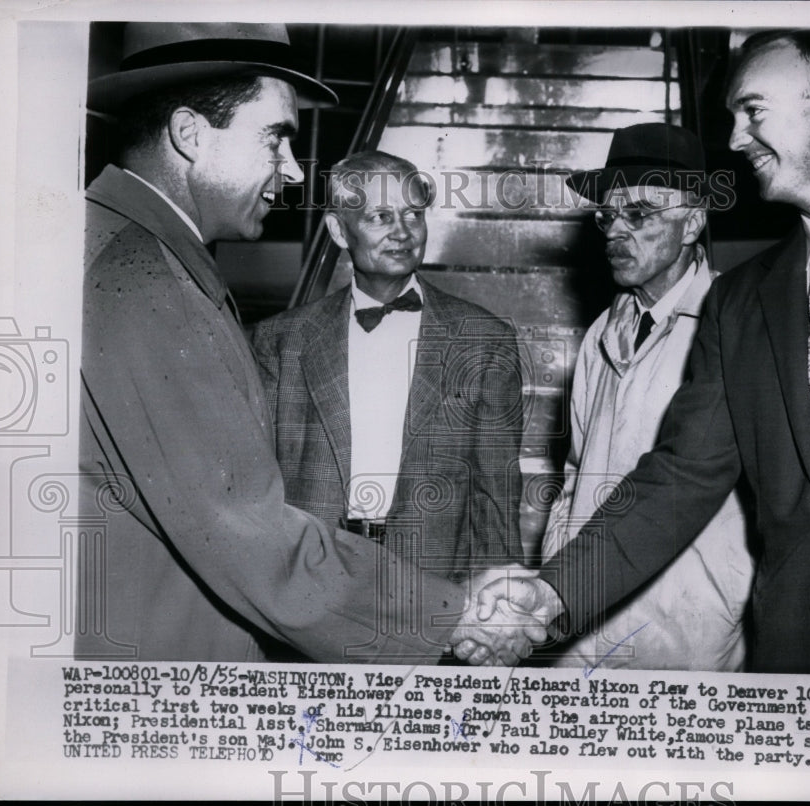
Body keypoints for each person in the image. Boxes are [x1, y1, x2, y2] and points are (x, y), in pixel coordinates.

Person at [468, 28, 810, 678]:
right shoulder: (744, 302)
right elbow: (681, 476)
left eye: (752, 111)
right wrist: (552, 592)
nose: (732, 140)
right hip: (794, 678)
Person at [77, 22, 541, 664]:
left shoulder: (126, 253)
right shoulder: (141, 277)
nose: (293, 171)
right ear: (189, 134)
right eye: (276, 140)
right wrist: (454, 616)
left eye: (413, 215)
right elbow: (243, 525)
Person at [252, 150, 525, 584]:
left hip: (430, 582)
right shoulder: (281, 341)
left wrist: (498, 595)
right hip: (309, 579)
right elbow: (259, 486)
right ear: (340, 231)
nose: (402, 232)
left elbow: (496, 493)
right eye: (380, 216)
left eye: (413, 215)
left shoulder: (483, 339)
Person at [539, 124, 753, 671]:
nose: (614, 231)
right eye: (607, 216)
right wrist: (555, 578)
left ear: (693, 223)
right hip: (585, 629)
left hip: (688, 635)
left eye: (639, 214)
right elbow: (574, 475)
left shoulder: (737, 324)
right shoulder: (600, 335)